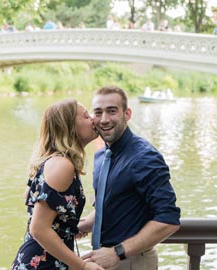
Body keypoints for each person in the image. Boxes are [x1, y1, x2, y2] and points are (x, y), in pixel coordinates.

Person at [79, 86, 181, 270]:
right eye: (98, 112)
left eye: (112, 111)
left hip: (132, 261)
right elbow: (114, 204)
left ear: (127, 114)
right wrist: (85, 224)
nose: (104, 119)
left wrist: (117, 252)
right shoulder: (101, 155)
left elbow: (168, 219)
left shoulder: (144, 157)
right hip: (103, 258)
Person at [11, 99, 104, 270]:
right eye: (85, 116)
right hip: (43, 264)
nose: (93, 119)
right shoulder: (62, 165)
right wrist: (82, 266)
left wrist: (70, 227)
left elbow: (51, 219)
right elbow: (38, 228)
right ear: (69, 126)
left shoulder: (54, 161)